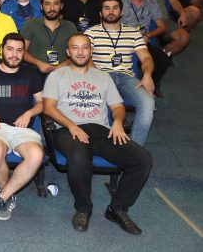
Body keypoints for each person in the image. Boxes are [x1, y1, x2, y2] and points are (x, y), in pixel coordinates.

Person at [43, 33, 152, 235]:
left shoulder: (103, 77)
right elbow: (48, 108)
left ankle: (117, 208)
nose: (80, 52)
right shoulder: (57, 75)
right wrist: (71, 126)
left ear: (91, 51)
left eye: (84, 47)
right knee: (78, 154)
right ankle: (83, 208)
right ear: (68, 52)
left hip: (99, 130)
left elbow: (117, 106)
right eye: (75, 48)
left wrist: (117, 121)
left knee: (142, 158)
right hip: (67, 130)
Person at [0, 33, 45, 221]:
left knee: (36, 155)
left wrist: (29, 113)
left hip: (23, 130)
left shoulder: (31, 74)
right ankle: (8, 195)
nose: (14, 54)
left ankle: (2, 196)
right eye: (10, 49)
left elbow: (41, 103)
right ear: (2, 50)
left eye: (19, 50)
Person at [84, 0, 155, 146]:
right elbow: (86, 59)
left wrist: (147, 75)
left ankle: (135, 149)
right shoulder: (90, 33)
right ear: (100, 13)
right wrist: (99, 75)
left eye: (115, 8)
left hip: (126, 77)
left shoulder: (133, 33)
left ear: (121, 12)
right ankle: (103, 144)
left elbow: (146, 58)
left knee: (148, 102)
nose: (111, 12)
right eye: (106, 8)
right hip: (101, 76)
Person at [120, 0, 179, 92]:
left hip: (143, 41)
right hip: (122, 41)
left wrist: (148, 35)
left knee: (163, 60)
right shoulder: (119, 2)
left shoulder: (152, 3)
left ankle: (150, 84)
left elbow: (162, 27)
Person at [21, 0, 78, 75]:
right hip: (35, 72)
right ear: (41, 6)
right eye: (47, 4)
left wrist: (66, 63)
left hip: (64, 73)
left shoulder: (70, 26)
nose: (52, 8)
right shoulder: (30, 24)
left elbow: (77, 53)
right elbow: (21, 51)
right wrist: (38, 63)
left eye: (56, 4)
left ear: (61, 6)